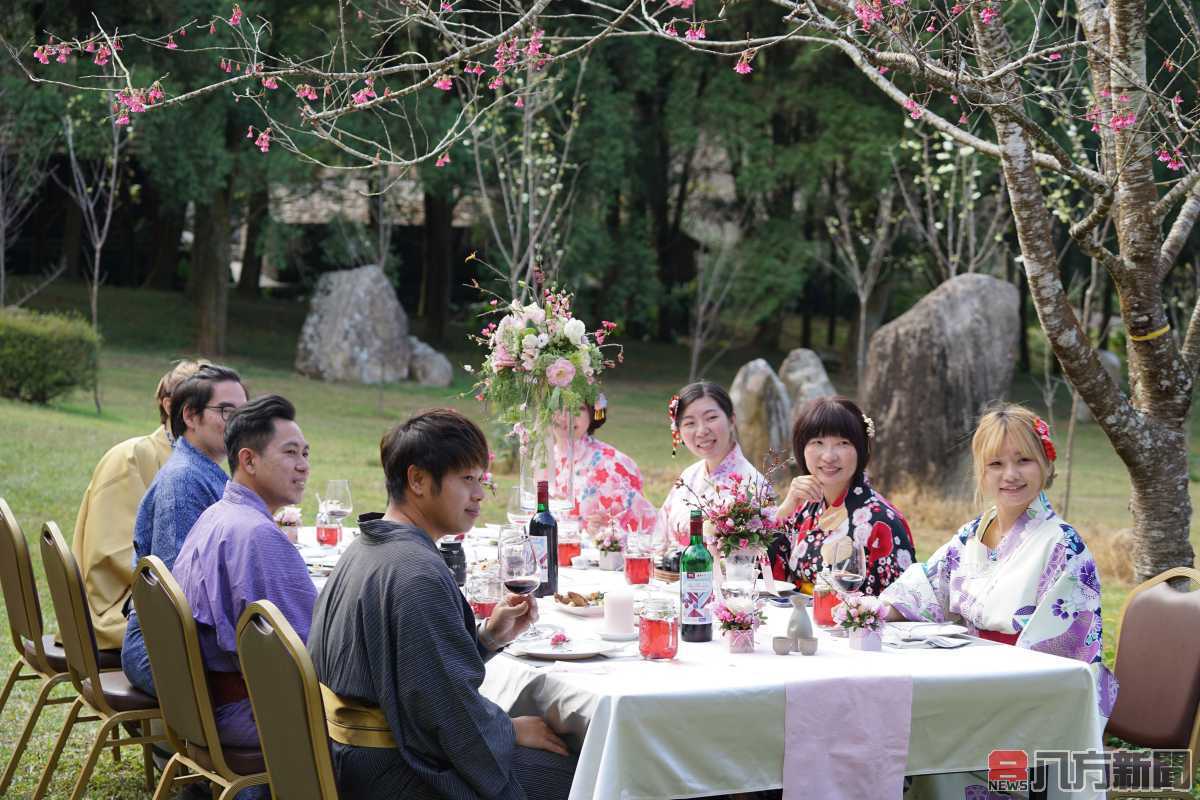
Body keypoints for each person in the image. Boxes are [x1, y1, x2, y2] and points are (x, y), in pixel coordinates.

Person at [308, 409, 577, 800]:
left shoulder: (367, 547)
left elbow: (413, 671)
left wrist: (487, 638)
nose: (480, 494)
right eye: (467, 479)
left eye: (480, 480)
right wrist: (511, 729)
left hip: (348, 759)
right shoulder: (416, 573)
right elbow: (448, 717)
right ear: (417, 479)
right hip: (395, 775)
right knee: (589, 773)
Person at [880, 404, 1118, 713]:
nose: (1010, 475)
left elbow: (1064, 651)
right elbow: (927, 588)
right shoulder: (972, 535)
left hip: (1023, 695)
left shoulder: (1062, 544)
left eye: (1024, 460)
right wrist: (873, 611)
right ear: (981, 472)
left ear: (1046, 463)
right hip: (971, 678)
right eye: (995, 463)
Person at [172, 395, 317, 753]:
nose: (303, 466)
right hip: (250, 715)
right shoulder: (256, 535)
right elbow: (313, 652)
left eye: (306, 454)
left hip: (202, 708)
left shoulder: (218, 514)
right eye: (290, 453)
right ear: (248, 459)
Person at [121, 364, 247, 695]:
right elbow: (178, 597)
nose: (239, 423)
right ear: (190, 416)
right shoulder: (185, 482)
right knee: (293, 691)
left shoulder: (203, 470)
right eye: (225, 410)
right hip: (163, 655)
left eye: (243, 412)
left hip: (178, 646)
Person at [70, 359, 204, 651]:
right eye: (217, 408)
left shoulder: (200, 464)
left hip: (167, 600)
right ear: (170, 406)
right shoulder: (131, 457)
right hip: (123, 612)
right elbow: (113, 555)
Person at [767, 397, 914, 596]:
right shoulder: (804, 508)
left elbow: (898, 604)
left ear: (861, 449)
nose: (829, 456)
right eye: (818, 442)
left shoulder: (883, 521)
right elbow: (766, 570)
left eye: (842, 443)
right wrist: (785, 509)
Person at [652, 381, 771, 551]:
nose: (701, 431)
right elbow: (660, 532)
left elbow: (752, 557)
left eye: (711, 418)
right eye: (689, 423)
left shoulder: (753, 485)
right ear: (679, 431)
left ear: (731, 420)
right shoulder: (689, 475)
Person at [551, 395, 657, 537]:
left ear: (592, 413)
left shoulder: (613, 463)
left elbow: (646, 527)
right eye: (558, 407)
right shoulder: (543, 460)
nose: (567, 416)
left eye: (578, 408)